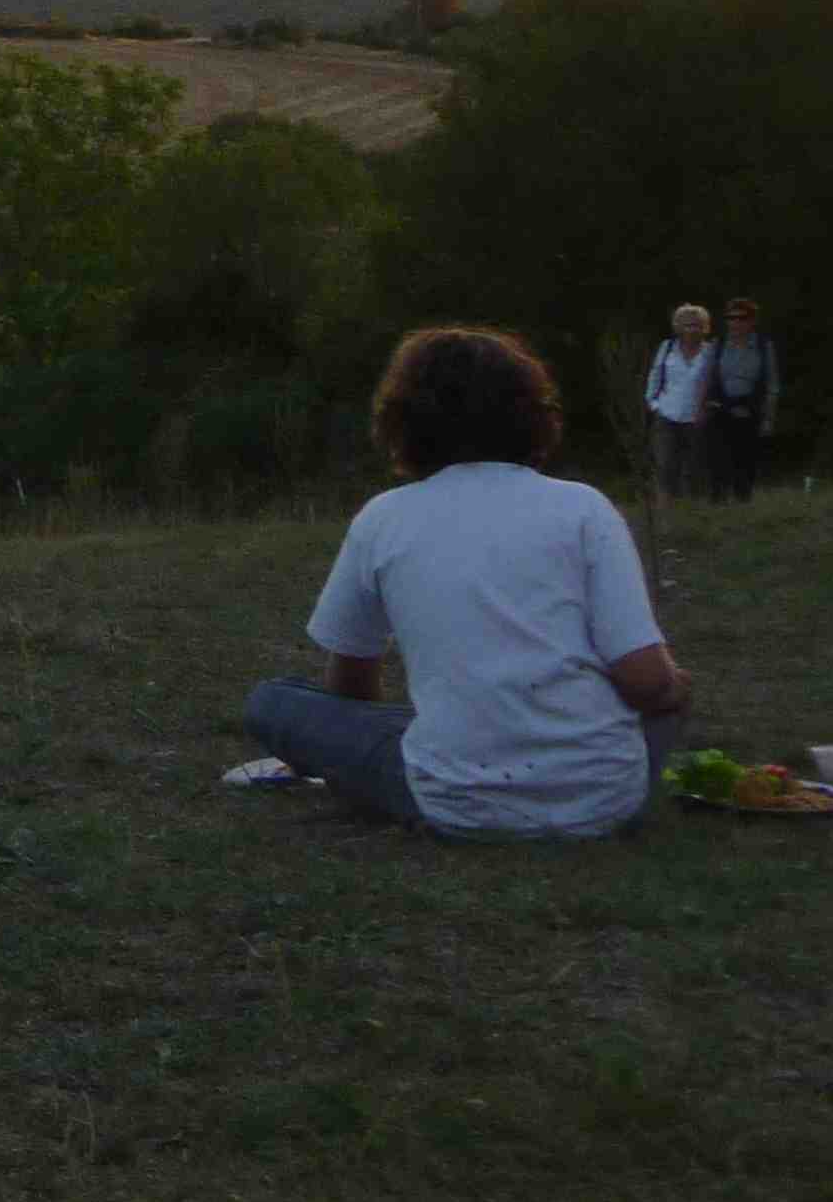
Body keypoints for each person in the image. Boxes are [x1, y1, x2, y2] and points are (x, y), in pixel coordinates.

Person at [239, 325, 698, 839]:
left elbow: (349, 686)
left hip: (454, 800)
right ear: (532, 414)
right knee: (671, 694)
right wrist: (673, 687)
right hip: (606, 801)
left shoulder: (383, 518)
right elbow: (645, 681)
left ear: (404, 423)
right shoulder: (585, 507)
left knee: (272, 701)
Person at [706, 298, 783, 500]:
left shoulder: (763, 346)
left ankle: (743, 503)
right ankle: (717, 505)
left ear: (752, 321)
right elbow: (707, 377)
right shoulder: (718, 344)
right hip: (721, 406)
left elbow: (772, 384)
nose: (736, 323)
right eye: (731, 318)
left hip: (750, 408)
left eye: (742, 318)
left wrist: (768, 417)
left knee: (746, 461)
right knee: (718, 460)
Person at [641, 301, 716, 500]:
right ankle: (666, 507)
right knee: (665, 466)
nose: (692, 329)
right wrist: (653, 404)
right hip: (667, 415)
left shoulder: (710, 352)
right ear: (678, 327)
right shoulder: (667, 348)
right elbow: (655, 376)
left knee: (694, 468)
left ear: (704, 328)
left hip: (696, 418)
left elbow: (715, 384)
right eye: (687, 324)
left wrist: (708, 408)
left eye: (696, 324)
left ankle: (692, 509)